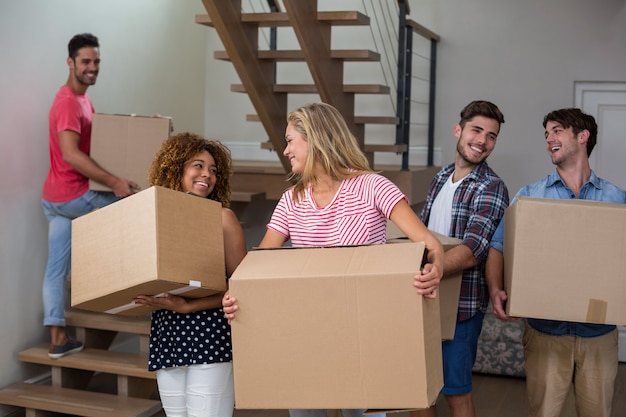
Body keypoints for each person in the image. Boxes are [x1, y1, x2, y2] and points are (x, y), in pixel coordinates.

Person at [222, 102, 444, 417]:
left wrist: (434, 268)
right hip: (306, 330)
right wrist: (237, 295)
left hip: (363, 330)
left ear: (314, 139)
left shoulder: (372, 187)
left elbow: (429, 244)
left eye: (289, 140)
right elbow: (259, 268)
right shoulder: (292, 200)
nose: (285, 151)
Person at [486, 108, 625, 417]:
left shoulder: (617, 200)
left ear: (583, 136)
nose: (549, 139)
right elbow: (498, 247)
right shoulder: (529, 196)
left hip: (598, 334)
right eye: (546, 133)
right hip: (545, 333)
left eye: (558, 130)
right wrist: (496, 290)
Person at [132, 133, 247, 417]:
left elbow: (244, 287)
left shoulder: (222, 218)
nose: (207, 175)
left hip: (209, 333)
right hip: (167, 332)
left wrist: (189, 306)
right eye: (198, 166)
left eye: (213, 170)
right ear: (176, 170)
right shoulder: (155, 218)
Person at [42, 33, 138, 359]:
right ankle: (136, 294)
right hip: (73, 196)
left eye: (96, 61)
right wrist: (114, 182)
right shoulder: (68, 102)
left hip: (54, 199)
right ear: (70, 62)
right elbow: (71, 154)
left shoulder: (82, 99)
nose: (92, 67)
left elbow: (95, 144)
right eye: (86, 61)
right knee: (137, 209)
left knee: (56, 271)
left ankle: (58, 339)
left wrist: (141, 132)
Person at [412, 100, 509, 417]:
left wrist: (434, 268)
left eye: (491, 136)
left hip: (461, 309)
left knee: (456, 394)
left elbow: (472, 251)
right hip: (424, 299)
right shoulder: (440, 178)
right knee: (418, 393)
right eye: (476, 130)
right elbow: (423, 236)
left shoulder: (491, 186)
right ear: (459, 130)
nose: (482, 140)